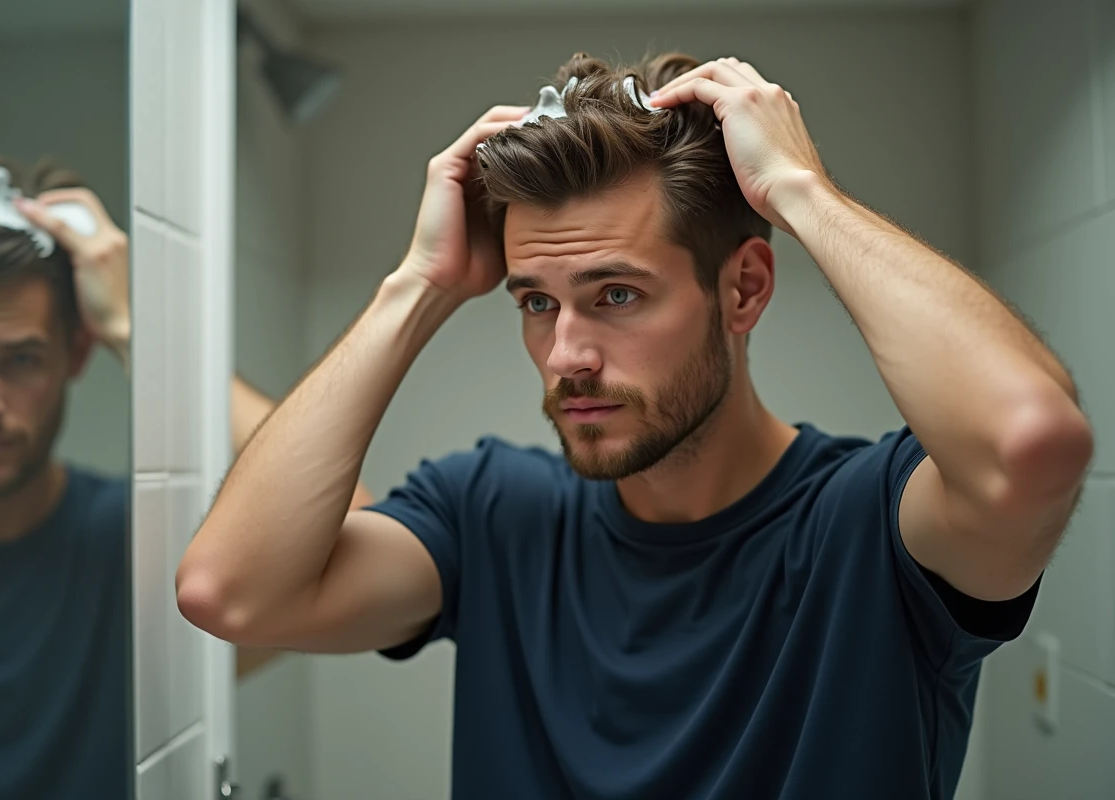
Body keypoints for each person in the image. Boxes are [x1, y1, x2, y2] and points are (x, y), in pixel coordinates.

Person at [176, 54, 1093, 799]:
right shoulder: (495, 516)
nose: (566, 353)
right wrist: (417, 287)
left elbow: (1028, 443)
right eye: (536, 301)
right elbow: (232, 593)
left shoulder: (871, 528)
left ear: (743, 289)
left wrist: (801, 191)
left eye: (616, 295)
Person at [0, 147, 357, 800]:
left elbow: (355, 550)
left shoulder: (135, 546)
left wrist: (135, 327)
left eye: (21, 360)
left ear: (76, 352)